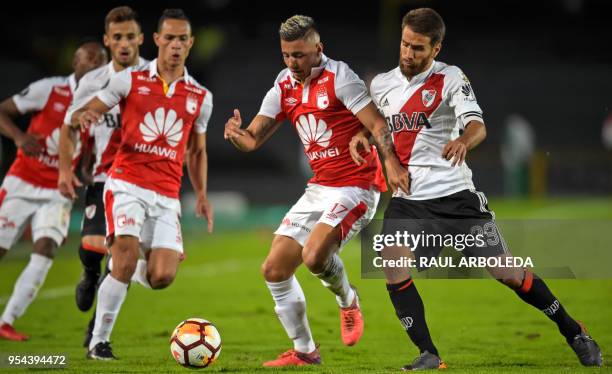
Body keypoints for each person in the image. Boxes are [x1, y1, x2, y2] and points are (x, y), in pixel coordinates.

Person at [349, 7, 603, 370]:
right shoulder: (383, 84)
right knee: (392, 261)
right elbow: (380, 128)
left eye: (418, 48)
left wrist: (465, 142)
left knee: (508, 274)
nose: (408, 53)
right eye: (405, 44)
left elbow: (477, 126)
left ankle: (574, 331)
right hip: (409, 201)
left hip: (455, 198)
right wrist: (373, 147)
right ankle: (428, 353)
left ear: (436, 48)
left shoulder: (451, 78)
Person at [224, 15, 406, 367]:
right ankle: (306, 351)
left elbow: (377, 124)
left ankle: (347, 300)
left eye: (300, 55)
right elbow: (253, 138)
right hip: (320, 187)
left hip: (357, 187)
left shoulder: (342, 79)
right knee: (274, 269)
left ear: (318, 49)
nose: (293, 63)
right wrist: (237, 135)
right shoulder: (283, 84)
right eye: (287, 55)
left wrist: (393, 164)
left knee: (313, 256)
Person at [67, 8, 213, 360]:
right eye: (170, 38)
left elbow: (197, 151)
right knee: (126, 260)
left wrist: (203, 194)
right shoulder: (130, 80)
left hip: (166, 193)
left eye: (182, 39)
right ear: (157, 40)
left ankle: (125, 263)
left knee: (162, 276)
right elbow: (82, 112)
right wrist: (84, 114)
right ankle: (98, 341)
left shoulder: (200, 96)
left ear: (190, 44)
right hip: (126, 183)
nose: (175, 45)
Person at [0, 41, 107, 341]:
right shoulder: (49, 89)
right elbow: (2, 111)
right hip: (23, 181)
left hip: (59, 189)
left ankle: (6, 321)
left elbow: (90, 147)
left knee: (46, 248)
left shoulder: (103, 100)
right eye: (88, 59)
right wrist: (20, 137)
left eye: (100, 62)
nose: (94, 65)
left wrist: (86, 172)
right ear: (75, 62)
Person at [58, 5, 148, 348]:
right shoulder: (93, 82)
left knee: (124, 254)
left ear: (140, 39)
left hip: (139, 180)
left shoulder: (155, 78)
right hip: (101, 177)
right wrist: (66, 170)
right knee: (95, 248)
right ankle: (90, 271)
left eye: (130, 37)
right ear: (108, 41)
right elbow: (68, 127)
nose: (124, 44)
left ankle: (98, 326)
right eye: (118, 37)